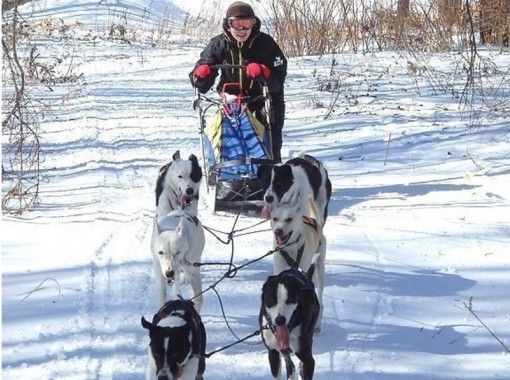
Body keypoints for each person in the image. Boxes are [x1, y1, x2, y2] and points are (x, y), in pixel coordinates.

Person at [190, 1, 287, 163]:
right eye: (237, 24)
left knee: (270, 139)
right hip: (232, 97)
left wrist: (264, 73)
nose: (242, 30)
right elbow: (201, 80)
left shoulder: (266, 43)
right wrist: (201, 75)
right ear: (228, 25)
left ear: (253, 23)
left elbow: (278, 79)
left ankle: (271, 173)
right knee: (229, 138)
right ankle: (229, 172)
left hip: (263, 98)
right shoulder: (218, 44)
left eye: (246, 24)